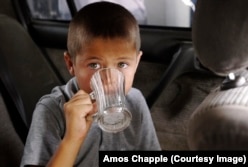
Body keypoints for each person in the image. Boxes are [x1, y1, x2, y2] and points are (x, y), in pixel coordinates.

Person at [20, 2, 161, 167]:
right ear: (71, 64)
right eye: (94, 65)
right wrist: (73, 138)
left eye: (122, 64)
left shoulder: (135, 101)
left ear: (137, 63)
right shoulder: (51, 110)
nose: (109, 79)